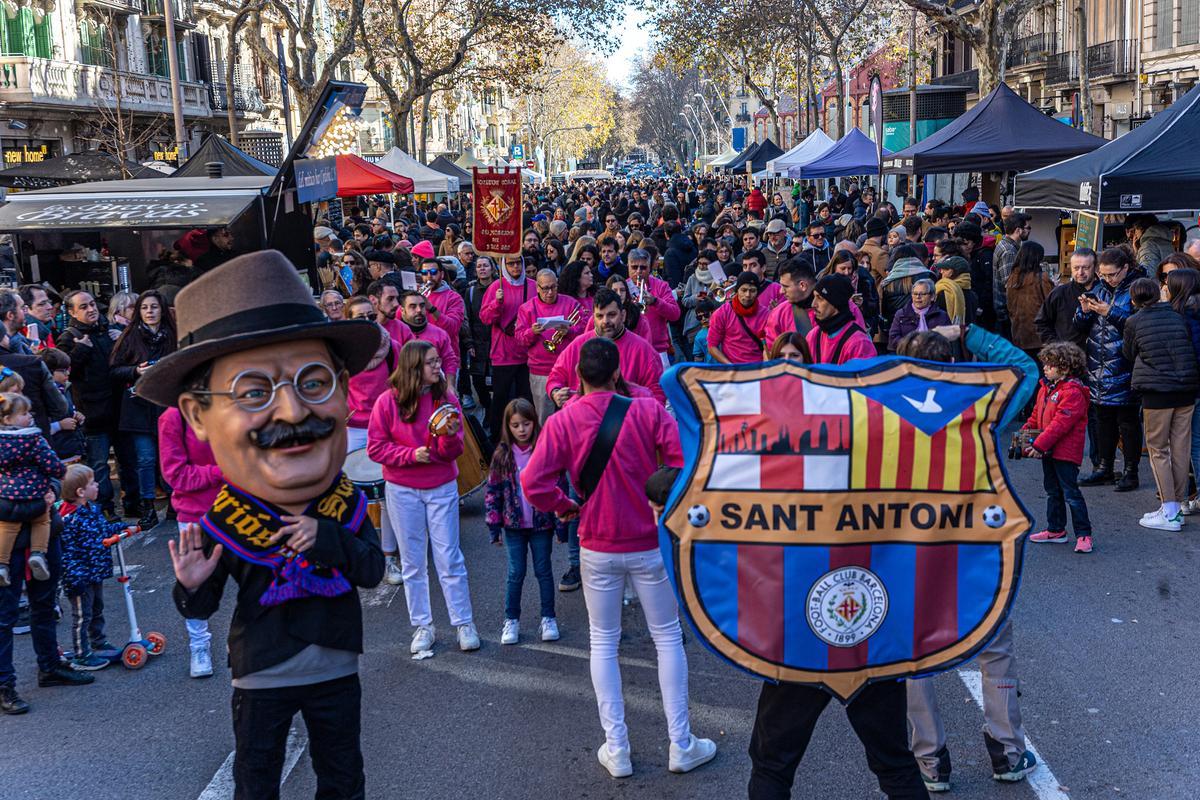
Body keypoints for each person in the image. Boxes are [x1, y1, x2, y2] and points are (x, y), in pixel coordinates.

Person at [149, 251, 384, 798]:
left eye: (314, 382)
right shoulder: (224, 517)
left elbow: (372, 570)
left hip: (335, 666)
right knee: (255, 782)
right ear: (197, 415)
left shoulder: (344, 502)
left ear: (345, 389)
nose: (293, 412)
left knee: (344, 779)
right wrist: (190, 587)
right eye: (254, 392)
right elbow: (204, 603)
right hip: (261, 672)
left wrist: (326, 539)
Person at [522, 337, 717, 778]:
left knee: (603, 642)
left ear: (577, 377)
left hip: (595, 542)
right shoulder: (648, 410)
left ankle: (618, 748)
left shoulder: (563, 420)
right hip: (649, 542)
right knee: (667, 637)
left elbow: (533, 483)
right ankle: (681, 743)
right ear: (617, 372)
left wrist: (563, 506)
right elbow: (683, 465)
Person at [900, 324, 1039, 795]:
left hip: (911, 551)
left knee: (914, 654)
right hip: (980, 547)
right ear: (953, 366)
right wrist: (970, 333)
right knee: (995, 649)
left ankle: (930, 760)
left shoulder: (880, 416)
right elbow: (1026, 369)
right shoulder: (983, 407)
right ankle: (1008, 752)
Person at [368, 340, 478, 654]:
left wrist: (447, 439)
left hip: (441, 486)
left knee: (449, 557)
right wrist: (411, 454)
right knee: (413, 561)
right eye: (431, 362)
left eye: (438, 361)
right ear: (414, 367)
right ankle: (423, 626)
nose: (437, 367)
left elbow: (455, 449)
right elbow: (376, 448)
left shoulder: (446, 398)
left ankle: (463, 623)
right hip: (402, 489)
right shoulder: (388, 402)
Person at [1122, 277, 1199, 531]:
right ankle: (1177, 507)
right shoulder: (1178, 316)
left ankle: (1169, 509)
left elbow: (1129, 354)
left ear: (1134, 299)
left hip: (1157, 392)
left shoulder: (1134, 321)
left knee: (1158, 450)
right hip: (1187, 390)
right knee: (1180, 448)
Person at [485, 398, 564, 645]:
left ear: (534, 423)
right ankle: (512, 620)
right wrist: (494, 526)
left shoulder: (544, 450)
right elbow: (493, 492)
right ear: (508, 426)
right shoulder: (502, 455)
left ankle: (548, 618)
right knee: (515, 573)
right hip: (514, 527)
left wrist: (561, 523)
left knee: (543, 571)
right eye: (516, 425)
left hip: (542, 524)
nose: (521, 430)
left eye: (526, 424)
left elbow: (558, 486)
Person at [157, 406, 222, 678]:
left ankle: (248, 644)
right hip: (195, 515)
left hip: (242, 508)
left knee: (254, 582)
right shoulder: (173, 417)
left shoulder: (234, 405)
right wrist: (223, 472)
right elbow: (176, 476)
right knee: (195, 586)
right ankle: (199, 646)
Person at [1075, 247, 1141, 491]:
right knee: (1103, 420)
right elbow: (1081, 325)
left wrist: (1109, 312)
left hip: (1124, 364)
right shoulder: (1100, 288)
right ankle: (1104, 467)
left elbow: (1138, 324)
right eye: (1103, 275)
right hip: (1098, 363)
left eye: (1112, 274)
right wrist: (1083, 312)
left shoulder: (1138, 288)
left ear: (1125, 269)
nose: (1107, 279)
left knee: (1128, 421)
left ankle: (1130, 471)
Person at [108, 290, 176, 529]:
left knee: (169, 456)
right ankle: (148, 507)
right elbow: (114, 370)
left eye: (154, 307)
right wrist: (136, 370)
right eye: (145, 307)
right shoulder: (129, 336)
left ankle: (175, 503)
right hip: (138, 406)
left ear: (162, 310)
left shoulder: (173, 335)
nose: (150, 312)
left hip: (167, 404)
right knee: (145, 459)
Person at [57, 290, 123, 516]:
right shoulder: (70, 337)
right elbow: (64, 372)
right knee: (99, 465)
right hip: (93, 412)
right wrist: (82, 349)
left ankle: (133, 503)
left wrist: (120, 339)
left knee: (128, 459)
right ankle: (105, 510)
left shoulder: (108, 329)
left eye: (92, 304)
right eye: (83, 307)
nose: (91, 309)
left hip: (118, 407)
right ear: (72, 312)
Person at [1024, 342, 1094, 552]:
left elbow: (1060, 424)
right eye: (1045, 363)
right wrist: (1027, 431)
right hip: (1049, 450)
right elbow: (1037, 415)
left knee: (1070, 492)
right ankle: (1056, 530)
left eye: (1050, 364)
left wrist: (1039, 444)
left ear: (1064, 367)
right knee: (1052, 491)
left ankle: (1084, 535)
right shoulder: (1045, 388)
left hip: (1065, 452)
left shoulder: (1073, 392)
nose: (1045, 367)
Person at [58, 463, 127, 671]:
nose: (97, 485)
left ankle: (98, 641)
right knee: (82, 614)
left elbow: (102, 530)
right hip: (80, 575)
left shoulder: (91, 509)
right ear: (81, 492)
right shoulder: (69, 518)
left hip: (94, 570)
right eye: (92, 483)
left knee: (97, 607)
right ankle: (81, 654)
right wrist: (75, 576)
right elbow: (67, 552)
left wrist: (123, 527)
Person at [547, 288, 666, 407]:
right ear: (593, 318)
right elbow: (556, 375)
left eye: (611, 315)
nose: (605, 321)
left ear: (623, 315)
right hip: (583, 420)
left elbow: (657, 393)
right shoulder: (578, 345)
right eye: (600, 316)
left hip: (628, 421)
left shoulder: (643, 350)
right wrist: (555, 392)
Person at [0, 392, 64, 587]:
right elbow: (52, 465)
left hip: (5, 496)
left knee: (7, 527)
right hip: (36, 495)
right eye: (25, 413)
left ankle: (2, 563)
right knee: (42, 520)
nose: (30, 416)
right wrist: (60, 472)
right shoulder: (34, 439)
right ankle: (38, 553)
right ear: (8, 418)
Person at [517, 269, 585, 422]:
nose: (550, 292)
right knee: (544, 419)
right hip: (540, 372)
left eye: (554, 287)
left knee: (572, 417)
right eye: (545, 288)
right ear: (537, 288)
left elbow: (585, 330)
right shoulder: (526, 308)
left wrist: (570, 330)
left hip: (569, 371)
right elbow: (520, 340)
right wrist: (531, 332)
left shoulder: (571, 304)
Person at [480, 254, 534, 440]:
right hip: (502, 354)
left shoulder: (533, 286)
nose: (515, 267)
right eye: (511, 263)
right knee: (501, 401)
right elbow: (485, 318)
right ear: (504, 265)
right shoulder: (497, 287)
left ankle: (527, 440)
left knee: (526, 400)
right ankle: (497, 440)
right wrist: (497, 303)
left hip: (527, 353)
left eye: (518, 262)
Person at [807, 274, 875, 365]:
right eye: (814, 297)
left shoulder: (859, 343)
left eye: (820, 298)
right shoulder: (813, 336)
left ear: (836, 302)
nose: (813, 304)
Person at [627, 248, 681, 359]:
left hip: (658, 350)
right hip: (630, 349)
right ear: (628, 267)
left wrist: (656, 301)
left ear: (649, 268)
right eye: (634, 267)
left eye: (643, 267)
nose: (638, 271)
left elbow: (675, 314)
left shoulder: (661, 286)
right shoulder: (622, 287)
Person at [1036, 249, 1096, 346]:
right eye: (1076, 268)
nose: (1080, 272)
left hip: (1099, 358)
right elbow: (1041, 323)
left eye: (1085, 268)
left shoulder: (1105, 292)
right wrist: (1057, 347)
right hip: (1067, 357)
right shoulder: (1059, 293)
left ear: (1095, 267)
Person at [1005, 241, 1053, 361]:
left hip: (1019, 334)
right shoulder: (1041, 278)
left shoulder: (1012, 278)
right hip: (1040, 336)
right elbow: (1051, 305)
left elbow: (1010, 307)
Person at [398, 291, 458, 387]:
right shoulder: (395, 334)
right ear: (402, 310)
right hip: (404, 391)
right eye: (412, 306)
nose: (418, 310)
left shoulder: (440, 334)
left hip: (434, 393)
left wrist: (450, 386)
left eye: (422, 306)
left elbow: (449, 360)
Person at [707, 272, 769, 364]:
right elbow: (712, 346)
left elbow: (769, 346)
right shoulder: (722, 313)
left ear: (757, 292)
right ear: (737, 291)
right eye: (743, 290)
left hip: (758, 369)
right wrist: (731, 366)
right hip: (732, 371)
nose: (748, 295)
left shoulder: (766, 314)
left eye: (752, 291)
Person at [418, 256, 466, 362]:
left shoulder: (454, 297)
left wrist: (431, 308)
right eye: (425, 272)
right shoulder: (417, 295)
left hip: (446, 357)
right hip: (420, 355)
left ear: (442, 274)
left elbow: (453, 328)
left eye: (434, 272)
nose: (429, 276)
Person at [888, 278, 951, 352]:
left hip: (933, 356)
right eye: (915, 293)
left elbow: (947, 339)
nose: (918, 297)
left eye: (922, 294)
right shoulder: (901, 314)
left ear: (932, 297)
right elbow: (893, 338)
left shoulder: (941, 315)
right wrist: (912, 345)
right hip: (906, 355)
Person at [992, 213, 1031, 331]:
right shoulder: (1009, 251)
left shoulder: (1007, 245)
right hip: (1006, 311)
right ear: (1018, 230)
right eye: (1028, 228)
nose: (1029, 231)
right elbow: (1009, 283)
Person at [764, 260, 818, 343]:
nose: (781, 291)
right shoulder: (779, 313)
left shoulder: (830, 308)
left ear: (802, 285)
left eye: (785, 286)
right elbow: (771, 350)